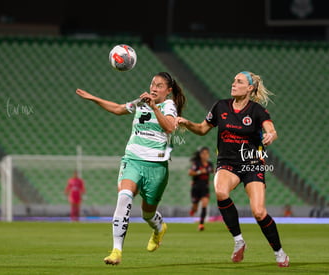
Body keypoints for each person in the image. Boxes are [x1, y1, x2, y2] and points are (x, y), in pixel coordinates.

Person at [176, 71, 289, 267]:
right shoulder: (220, 106)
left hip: (252, 164)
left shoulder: (256, 110)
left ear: (250, 88)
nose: (233, 84)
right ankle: (238, 241)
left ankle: (279, 252)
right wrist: (187, 123)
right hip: (227, 162)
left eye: (239, 82)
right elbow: (202, 129)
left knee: (259, 213)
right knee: (220, 191)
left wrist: (271, 135)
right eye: (234, 81)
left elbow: (270, 129)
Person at [76, 72, 186, 265]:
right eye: (153, 84)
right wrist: (93, 98)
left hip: (157, 166)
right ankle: (116, 251)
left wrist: (154, 107)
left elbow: (169, 127)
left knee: (148, 214)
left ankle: (159, 229)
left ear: (168, 91)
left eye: (159, 86)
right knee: (124, 196)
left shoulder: (169, 106)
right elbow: (118, 109)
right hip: (133, 159)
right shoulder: (141, 101)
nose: (153, 88)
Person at [188, 146, 214, 231]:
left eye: (207, 153)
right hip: (196, 188)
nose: (205, 155)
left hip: (205, 188)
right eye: (203, 153)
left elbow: (213, 172)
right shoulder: (197, 164)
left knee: (204, 204)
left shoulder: (210, 165)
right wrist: (199, 172)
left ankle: (201, 224)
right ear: (200, 155)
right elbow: (190, 173)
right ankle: (193, 209)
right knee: (195, 207)